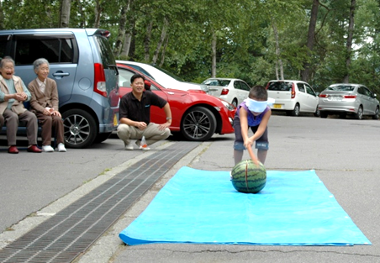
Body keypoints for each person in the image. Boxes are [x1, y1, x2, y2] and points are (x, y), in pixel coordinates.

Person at [117, 73, 171, 150]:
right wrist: (137, 123)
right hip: (131, 127)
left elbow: (165, 104)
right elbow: (122, 119)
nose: (139, 86)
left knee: (166, 131)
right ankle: (127, 143)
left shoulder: (149, 95)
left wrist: (169, 121)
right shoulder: (125, 99)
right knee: (121, 129)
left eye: (141, 83)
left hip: (146, 127)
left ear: (143, 85)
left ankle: (142, 143)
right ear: (131, 85)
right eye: (137, 83)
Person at [0, 56, 42, 154]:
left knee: (31, 116)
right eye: (7, 68)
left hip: (17, 106)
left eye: (12, 68)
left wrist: (24, 96)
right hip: (3, 106)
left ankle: (32, 144)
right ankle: (12, 145)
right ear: (1, 69)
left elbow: (28, 94)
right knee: (13, 117)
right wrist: (12, 96)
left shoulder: (17, 79)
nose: (10, 70)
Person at [28, 58, 66, 152]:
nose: (46, 71)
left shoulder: (52, 82)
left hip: (51, 108)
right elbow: (33, 102)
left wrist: (55, 110)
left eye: (47, 68)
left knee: (58, 119)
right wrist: (43, 110)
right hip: (39, 110)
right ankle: (46, 144)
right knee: (47, 119)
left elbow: (55, 98)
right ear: (36, 71)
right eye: (43, 69)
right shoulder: (31, 85)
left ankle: (60, 143)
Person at [233, 85, 272, 165]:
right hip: (241, 120)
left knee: (263, 143)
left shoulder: (267, 111)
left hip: (258, 122)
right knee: (239, 143)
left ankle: (260, 168)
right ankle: (236, 167)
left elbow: (262, 128)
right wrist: (246, 138)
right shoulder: (243, 108)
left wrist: (252, 139)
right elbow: (243, 124)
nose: (256, 111)